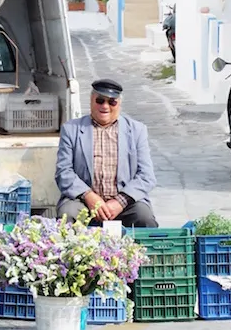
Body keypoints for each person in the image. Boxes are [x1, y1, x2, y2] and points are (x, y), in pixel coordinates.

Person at [55, 79, 158, 227]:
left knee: (144, 218)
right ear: (91, 101)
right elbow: (63, 172)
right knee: (67, 214)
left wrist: (119, 202)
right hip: (82, 201)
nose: (105, 106)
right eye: (100, 100)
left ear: (119, 104)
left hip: (125, 203)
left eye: (112, 102)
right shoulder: (71, 129)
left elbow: (146, 176)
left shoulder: (137, 130)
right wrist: (89, 196)